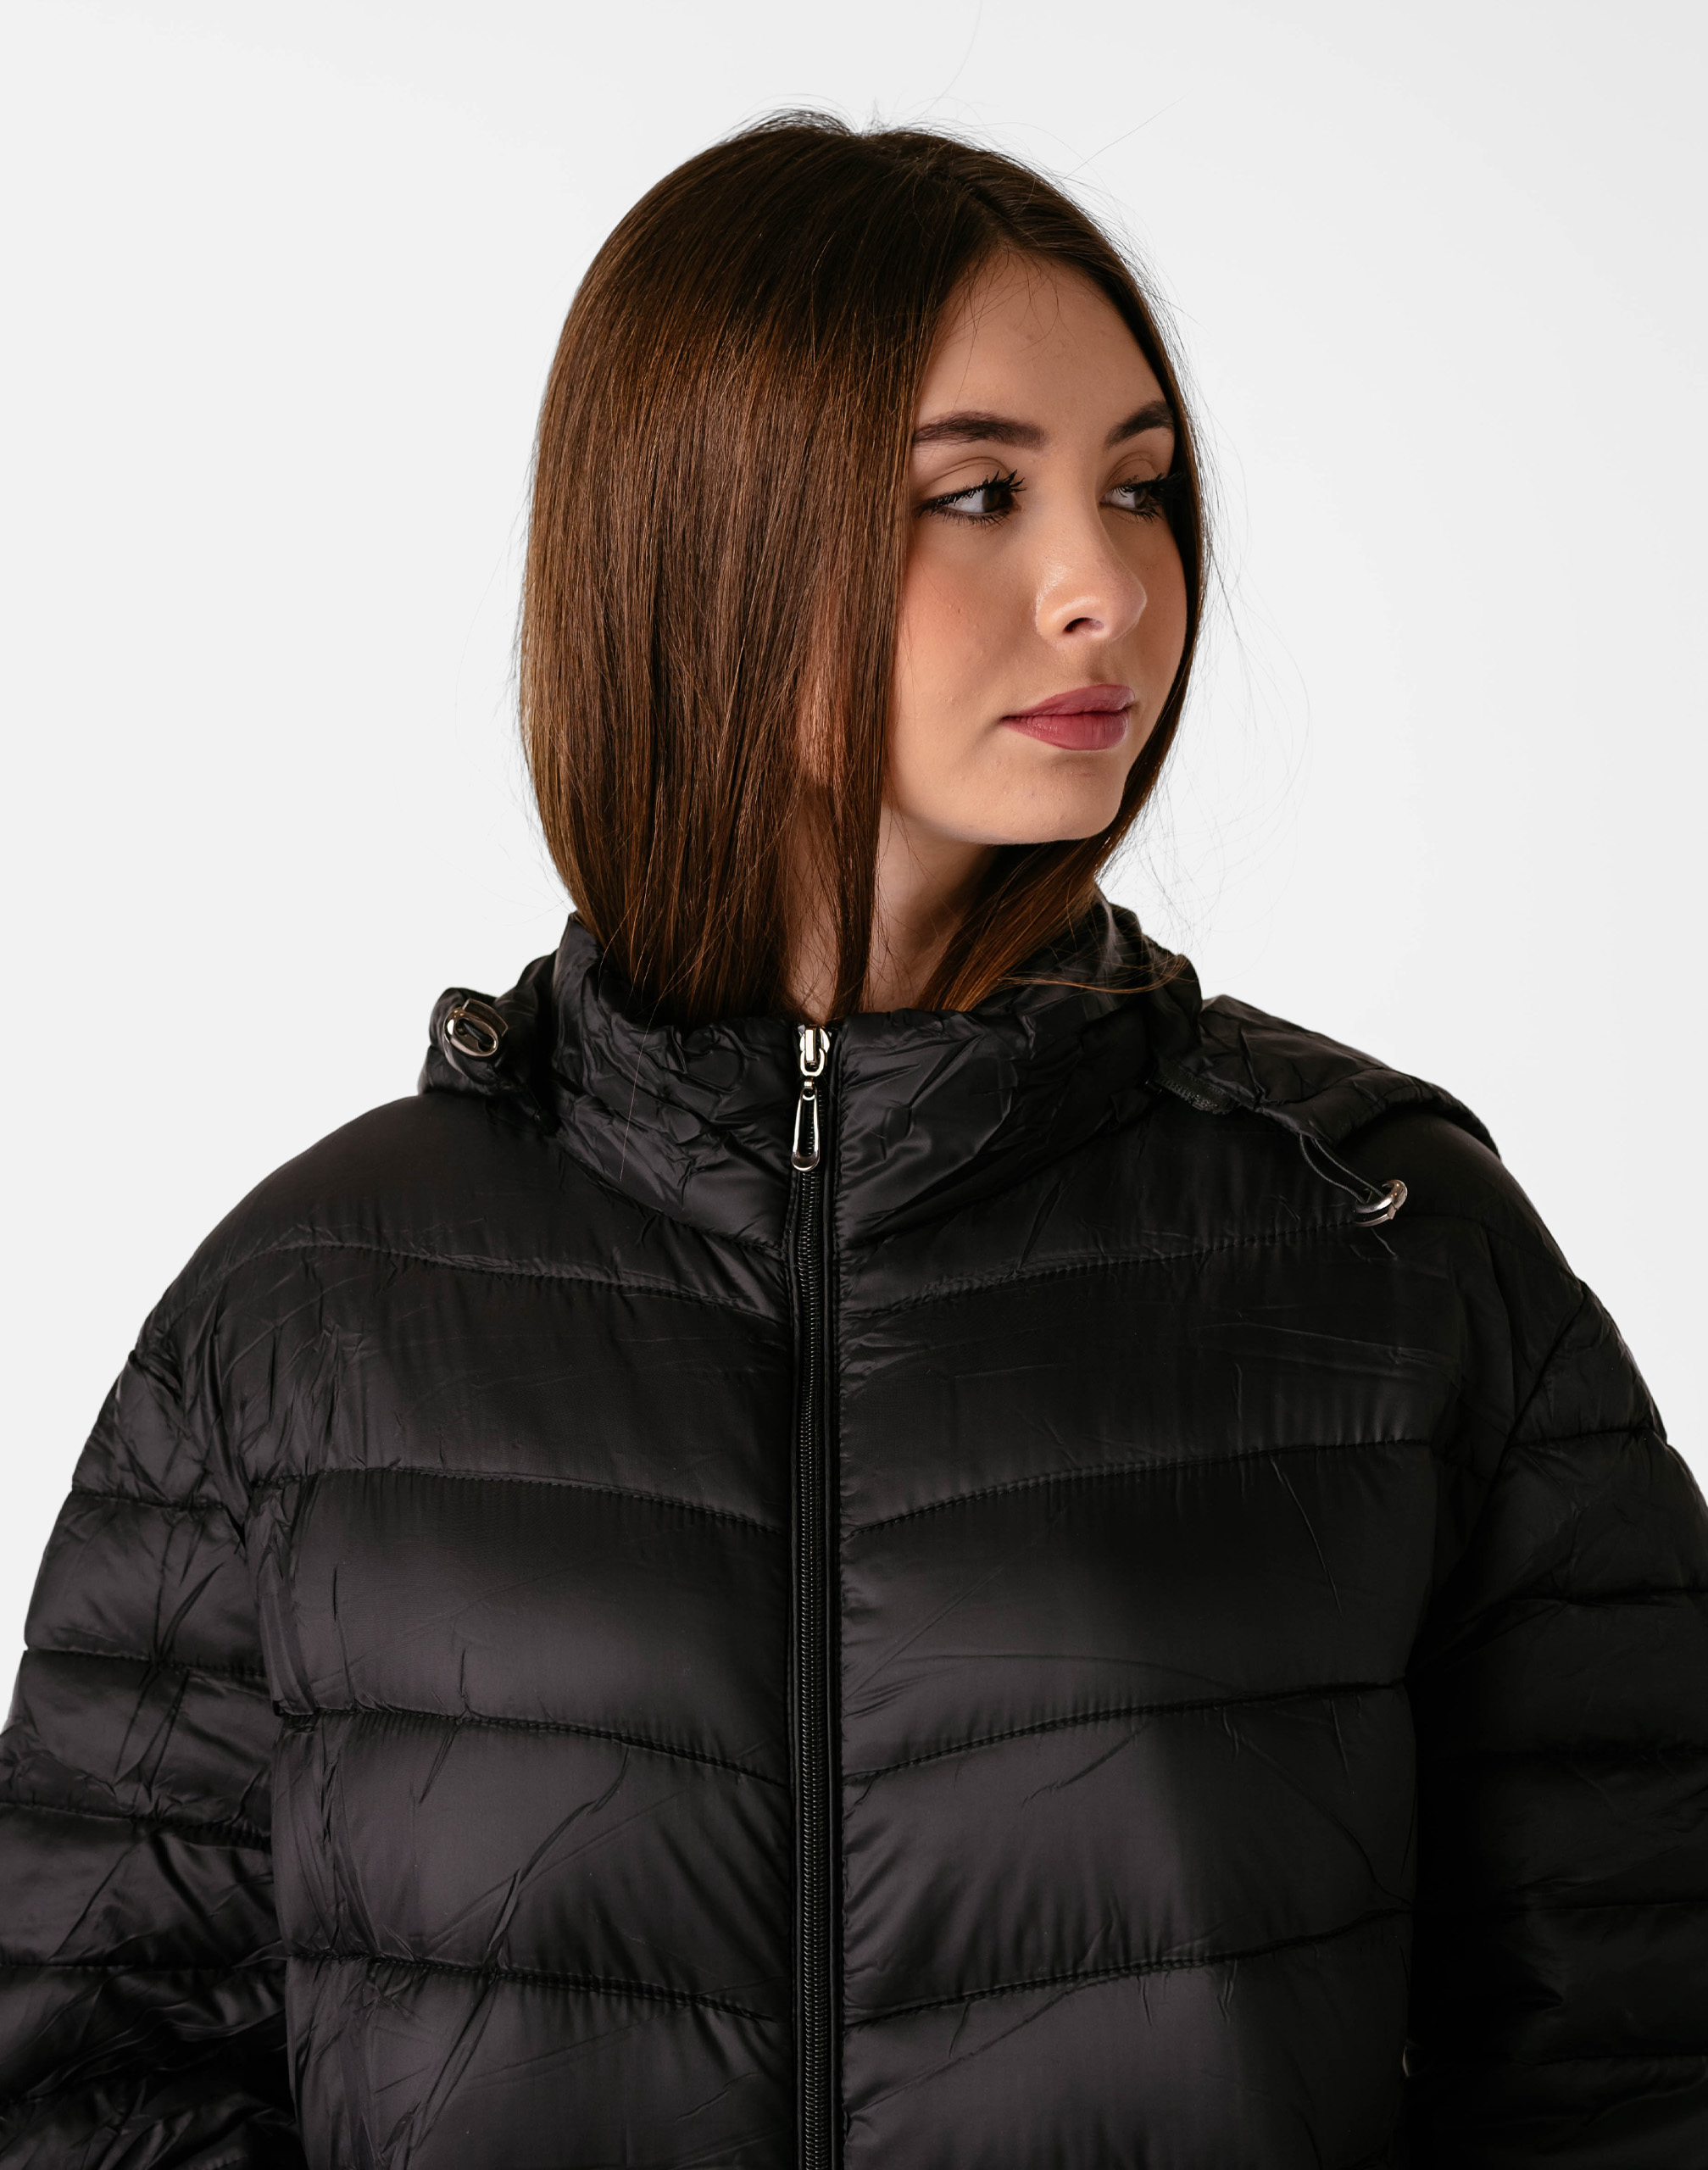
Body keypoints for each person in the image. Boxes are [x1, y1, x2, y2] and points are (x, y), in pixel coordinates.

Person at [0, 112, 1702, 2170]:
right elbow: (93, 2081)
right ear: (707, 540)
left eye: (1137, 487)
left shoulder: (1389, 1246)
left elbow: (1639, 2056)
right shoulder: (308, 1318)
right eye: (977, 494)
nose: (1106, 585)